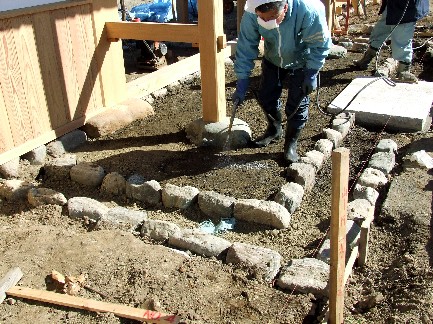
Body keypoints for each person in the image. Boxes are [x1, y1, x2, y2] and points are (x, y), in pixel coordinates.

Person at [232, 0, 331, 163]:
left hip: (302, 61)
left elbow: (320, 43)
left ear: (285, 8)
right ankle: (274, 130)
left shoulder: (309, 10)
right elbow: (245, 46)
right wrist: (242, 81)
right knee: (266, 96)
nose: (266, 22)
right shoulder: (251, 12)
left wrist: (312, 72)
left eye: (272, 17)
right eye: (262, 18)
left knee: (297, 105)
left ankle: (290, 144)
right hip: (273, 58)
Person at [354, 0, 429, 82]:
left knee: (402, 34)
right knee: (382, 28)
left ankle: (403, 70)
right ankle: (367, 58)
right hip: (392, 4)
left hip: (407, 6)